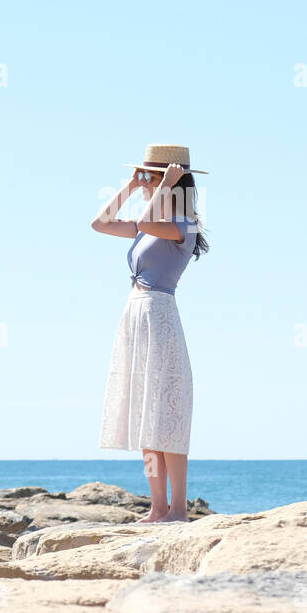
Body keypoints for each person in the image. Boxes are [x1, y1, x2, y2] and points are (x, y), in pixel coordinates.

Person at [91, 144, 210, 522]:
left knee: (167, 414)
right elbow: (100, 223)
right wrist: (128, 186)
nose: (146, 183)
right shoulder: (152, 220)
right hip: (135, 314)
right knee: (144, 410)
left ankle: (178, 509)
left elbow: (144, 222)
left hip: (159, 314)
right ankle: (158, 507)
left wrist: (165, 186)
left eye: (150, 176)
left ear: (170, 181)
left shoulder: (184, 224)